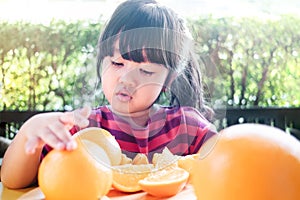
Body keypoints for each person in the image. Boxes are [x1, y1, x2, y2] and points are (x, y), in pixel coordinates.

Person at [1, 0, 217, 189]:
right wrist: (30, 132)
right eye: (117, 63)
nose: (127, 79)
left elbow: (226, 166)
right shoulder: (82, 129)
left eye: (146, 71)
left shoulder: (188, 127)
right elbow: (14, 181)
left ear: (168, 81)